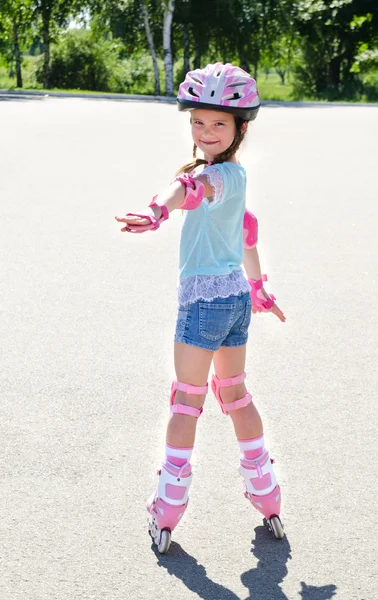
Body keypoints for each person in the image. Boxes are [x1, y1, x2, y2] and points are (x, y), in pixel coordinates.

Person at [115, 62, 286, 554]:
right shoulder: (235, 177)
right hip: (233, 298)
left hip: (204, 304)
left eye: (219, 124)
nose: (206, 131)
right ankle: (267, 494)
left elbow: (189, 191)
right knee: (234, 394)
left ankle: (167, 507)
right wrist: (259, 290)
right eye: (198, 121)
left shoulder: (221, 176)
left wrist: (156, 211)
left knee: (186, 401)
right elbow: (247, 233)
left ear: (239, 129)